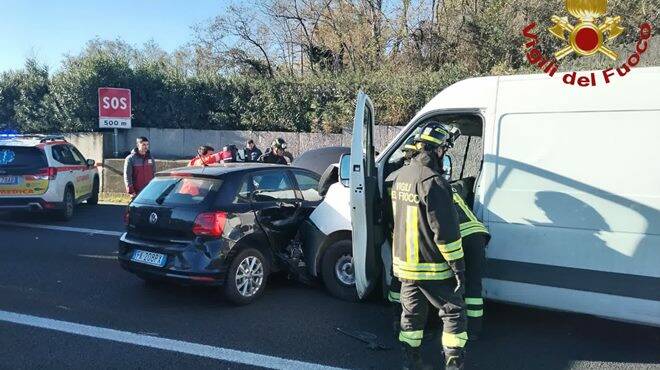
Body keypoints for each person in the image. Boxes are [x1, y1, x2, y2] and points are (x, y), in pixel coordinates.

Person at [390, 122, 467, 370]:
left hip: (405, 267)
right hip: (432, 266)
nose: (444, 155)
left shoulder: (401, 177)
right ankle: (453, 365)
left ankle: (410, 364)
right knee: (453, 312)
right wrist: (458, 269)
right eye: (444, 150)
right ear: (437, 150)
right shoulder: (434, 182)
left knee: (411, 317)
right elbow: (445, 234)